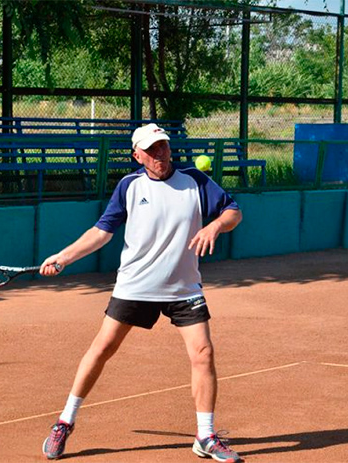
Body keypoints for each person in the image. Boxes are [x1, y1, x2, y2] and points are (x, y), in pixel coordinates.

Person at [38, 123, 243, 462]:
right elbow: (101, 232)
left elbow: (233, 211)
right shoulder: (129, 186)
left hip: (183, 288)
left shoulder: (195, 181)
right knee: (102, 348)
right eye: (151, 149)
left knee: (203, 352)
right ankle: (65, 421)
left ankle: (205, 436)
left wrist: (216, 225)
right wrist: (63, 257)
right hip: (136, 285)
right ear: (137, 156)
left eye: (163, 146)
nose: (159, 153)